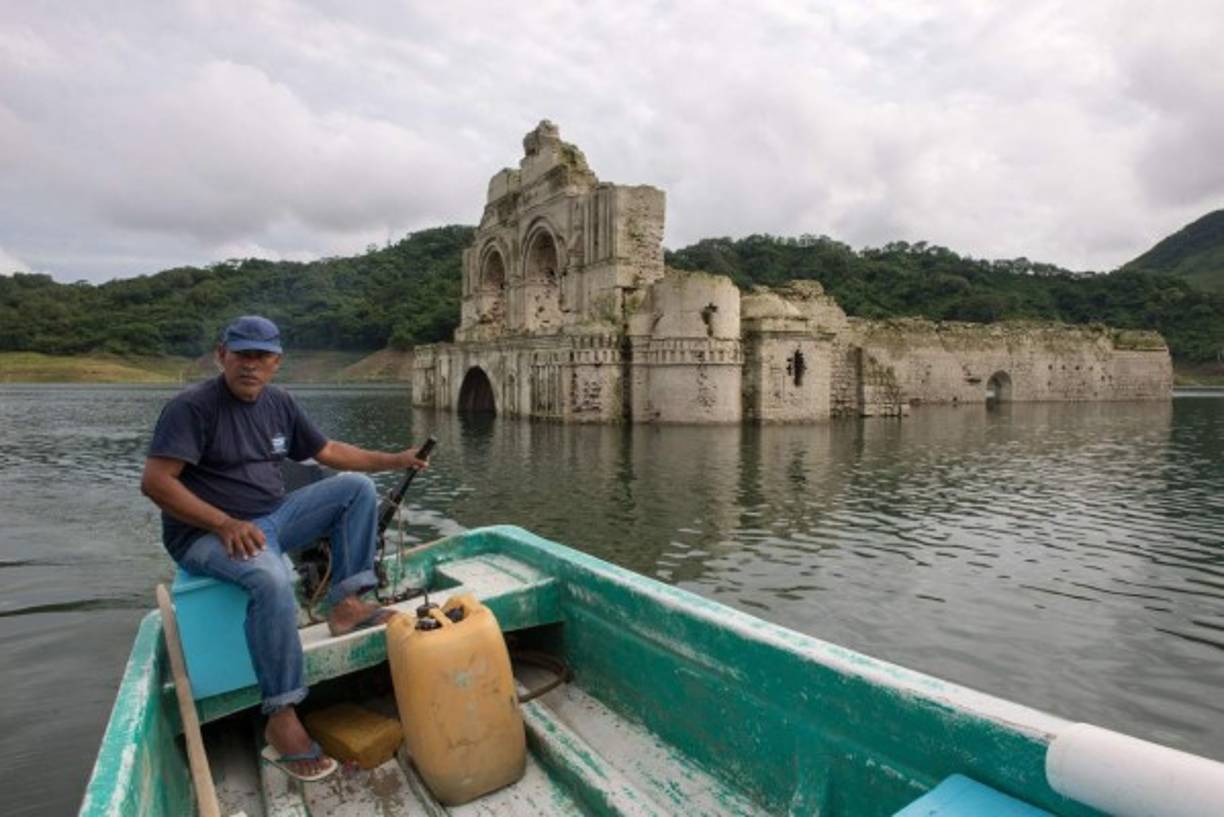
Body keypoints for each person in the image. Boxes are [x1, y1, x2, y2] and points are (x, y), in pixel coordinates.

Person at [141, 315, 428, 781]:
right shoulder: (191, 408)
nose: (250, 366)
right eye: (241, 355)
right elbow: (155, 482)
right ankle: (281, 715)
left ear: (276, 362)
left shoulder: (279, 403)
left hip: (272, 517)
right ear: (222, 356)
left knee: (355, 488)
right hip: (205, 533)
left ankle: (348, 603)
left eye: (261, 357)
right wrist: (222, 522)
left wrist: (394, 460)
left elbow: (328, 451)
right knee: (272, 578)